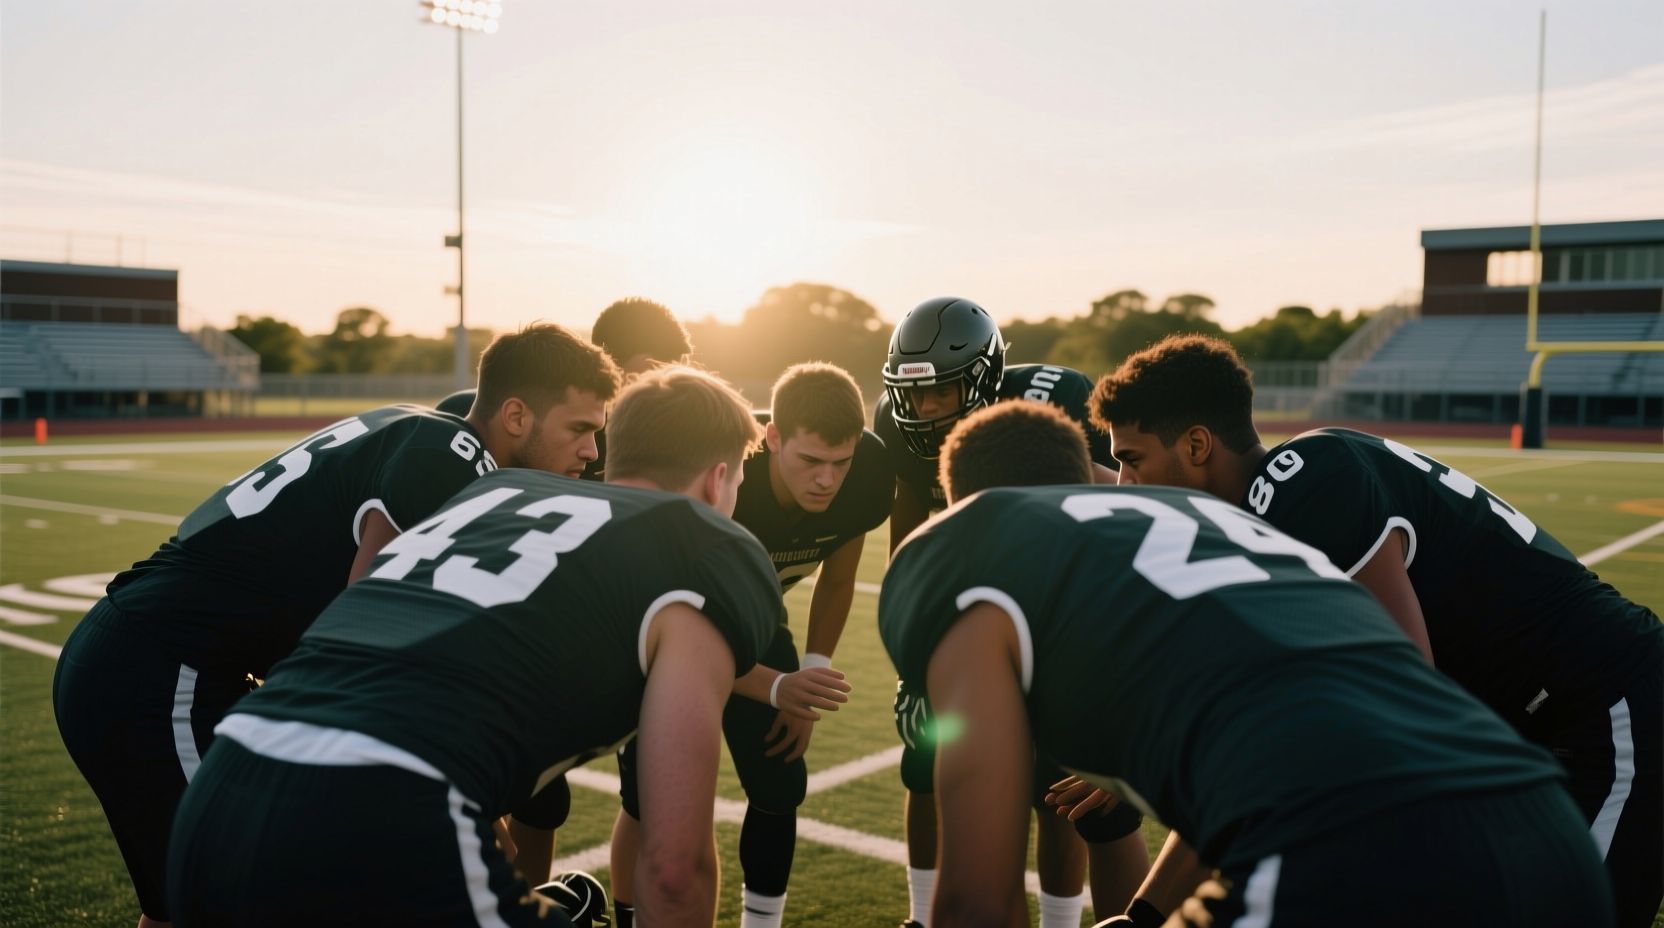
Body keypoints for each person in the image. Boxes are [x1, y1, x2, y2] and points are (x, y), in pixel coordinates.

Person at [881, 399, 1613, 927]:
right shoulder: (1229, 521)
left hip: (1348, 851)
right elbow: (1295, 733)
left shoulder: (971, 543)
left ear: (960, 504)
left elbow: (977, 904)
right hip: (1541, 830)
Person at [166, 366, 783, 927]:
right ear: (718, 478)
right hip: (383, 811)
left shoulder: (491, 493)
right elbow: (674, 872)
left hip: (218, 797)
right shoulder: (700, 548)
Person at [52, 323, 620, 928]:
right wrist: (484, 845)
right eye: (580, 429)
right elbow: (370, 642)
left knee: (197, 902)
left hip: (159, 664)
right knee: (230, 899)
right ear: (515, 415)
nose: (591, 451)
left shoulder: (417, 428)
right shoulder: (451, 457)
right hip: (162, 675)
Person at [1091, 334, 1663, 928]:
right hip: (1535, 727)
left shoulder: (1303, 480)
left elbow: (1402, 693)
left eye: (1132, 459)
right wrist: (1145, 914)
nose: (1126, 485)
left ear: (1197, 444)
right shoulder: (1261, 522)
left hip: (1606, 706)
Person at [874, 296, 1138, 928]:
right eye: (917, 393)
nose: (927, 408)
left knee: (1063, 790)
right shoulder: (897, 420)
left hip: (1062, 599)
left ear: (986, 375)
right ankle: (921, 916)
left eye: (945, 390)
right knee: (928, 768)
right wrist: (914, 659)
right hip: (975, 596)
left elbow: (1107, 506)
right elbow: (909, 538)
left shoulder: (1053, 398)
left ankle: (1059, 921)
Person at [607, 362, 890, 928]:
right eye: (810, 461)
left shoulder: (868, 475)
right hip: (664, 620)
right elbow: (680, 628)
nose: (827, 481)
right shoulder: (726, 474)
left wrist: (809, 672)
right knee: (647, 797)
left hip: (756, 620)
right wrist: (779, 686)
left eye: (841, 463)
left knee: (780, 783)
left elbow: (838, 580)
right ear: (772, 438)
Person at [437, 296, 692, 482]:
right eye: (652, 379)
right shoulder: (462, 430)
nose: (671, 397)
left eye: (681, 377)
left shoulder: (696, 447)